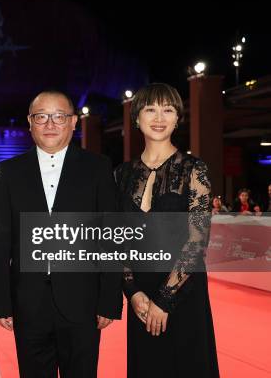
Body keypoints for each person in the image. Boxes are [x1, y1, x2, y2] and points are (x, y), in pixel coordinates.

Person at [0, 90, 123, 377]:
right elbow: (0, 243)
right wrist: (2, 302)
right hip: (28, 304)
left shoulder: (98, 167)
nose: (50, 124)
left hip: (83, 302)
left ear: (73, 122)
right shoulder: (9, 171)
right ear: (30, 122)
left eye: (59, 117)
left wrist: (109, 300)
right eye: (41, 117)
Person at [114, 83, 219, 377]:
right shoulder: (121, 175)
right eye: (150, 109)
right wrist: (132, 292)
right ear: (136, 118)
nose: (159, 117)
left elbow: (197, 241)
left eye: (168, 109)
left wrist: (165, 298)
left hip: (183, 291)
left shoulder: (194, 170)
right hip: (141, 299)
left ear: (177, 118)